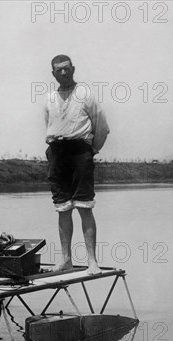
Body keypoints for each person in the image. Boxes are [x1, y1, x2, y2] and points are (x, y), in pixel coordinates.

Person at [44, 54, 109, 275]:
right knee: (63, 207)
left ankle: (92, 261)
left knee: (83, 205)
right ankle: (66, 259)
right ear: (53, 73)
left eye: (67, 68)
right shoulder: (50, 98)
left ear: (73, 69)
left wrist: (91, 151)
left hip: (80, 151)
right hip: (57, 152)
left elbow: (102, 127)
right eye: (58, 70)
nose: (63, 73)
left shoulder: (85, 94)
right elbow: (49, 125)